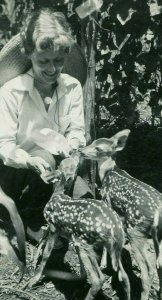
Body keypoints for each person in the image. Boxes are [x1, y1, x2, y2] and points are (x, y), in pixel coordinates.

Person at [0, 8, 87, 242]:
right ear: (28, 54)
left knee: (85, 197)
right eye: (43, 61)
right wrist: (29, 161)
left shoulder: (72, 87)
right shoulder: (12, 91)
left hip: (54, 170)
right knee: (45, 158)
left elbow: (77, 130)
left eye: (59, 60)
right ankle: (30, 217)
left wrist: (74, 148)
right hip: (17, 173)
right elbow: (4, 147)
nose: (52, 69)